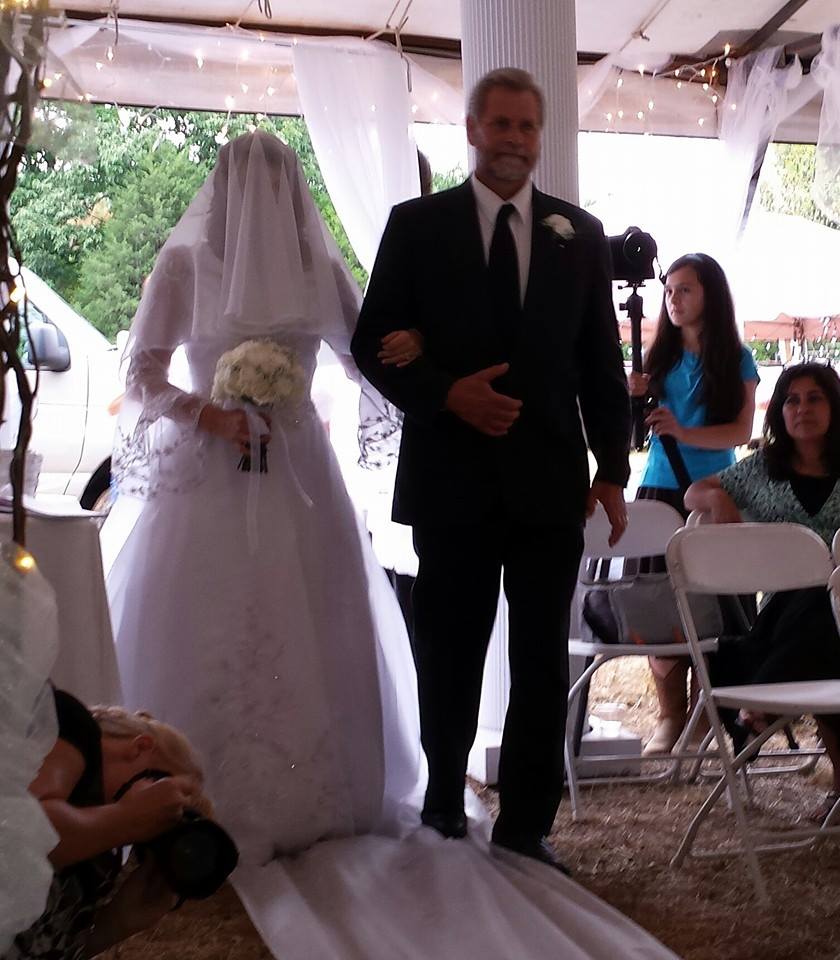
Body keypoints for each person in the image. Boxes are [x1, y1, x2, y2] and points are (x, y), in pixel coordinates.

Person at [104, 131, 420, 865]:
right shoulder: (184, 267)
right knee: (210, 609)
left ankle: (309, 790)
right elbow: (143, 378)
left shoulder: (320, 271)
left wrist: (406, 347)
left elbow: (363, 356)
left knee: (311, 610)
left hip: (300, 469)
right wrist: (208, 413)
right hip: (208, 467)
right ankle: (181, 786)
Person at [351, 67, 631, 869]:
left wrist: (611, 467)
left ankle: (527, 824)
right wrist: (446, 395)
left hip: (550, 484)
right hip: (452, 479)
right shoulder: (416, 225)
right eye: (500, 125)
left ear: (540, 138)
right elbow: (372, 343)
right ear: (472, 130)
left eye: (527, 128)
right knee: (450, 645)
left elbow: (601, 367)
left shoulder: (580, 235)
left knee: (542, 655)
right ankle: (443, 797)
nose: (514, 141)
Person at [685, 361, 840, 816]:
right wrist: (715, 496)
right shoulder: (761, 469)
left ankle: (764, 696)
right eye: (792, 399)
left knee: (825, 600)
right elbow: (694, 493)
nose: (802, 408)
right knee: (815, 597)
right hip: (783, 618)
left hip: (827, 619)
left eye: (815, 398)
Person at [628, 253, 758, 755]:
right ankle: (670, 716)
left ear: (710, 295)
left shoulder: (736, 359)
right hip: (658, 487)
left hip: (717, 490)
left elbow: (742, 432)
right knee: (657, 599)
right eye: (670, 290)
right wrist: (633, 396)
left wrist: (683, 430)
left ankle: (709, 716)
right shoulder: (655, 356)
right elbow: (637, 435)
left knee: (718, 602)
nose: (674, 300)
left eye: (686, 290)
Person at [6, 688, 207, 960]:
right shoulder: (71, 722)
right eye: (162, 799)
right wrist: (126, 819)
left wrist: (113, 926)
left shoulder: (96, 864)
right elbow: (21, 831)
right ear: (140, 748)